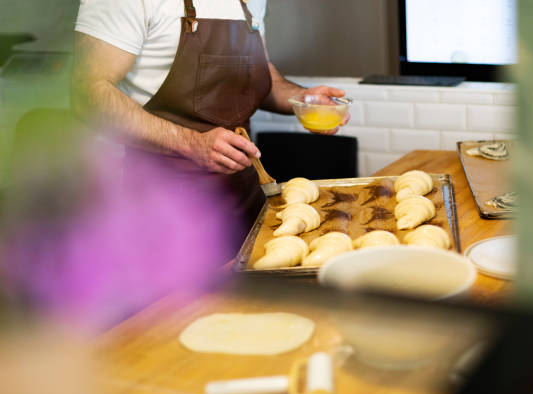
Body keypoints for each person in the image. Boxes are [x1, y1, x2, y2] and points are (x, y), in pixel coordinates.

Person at [71, 0, 349, 255]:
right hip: (161, 210)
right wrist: (192, 143)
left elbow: (259, 76)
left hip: (244, 199)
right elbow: (87, 92)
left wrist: (301, 100)